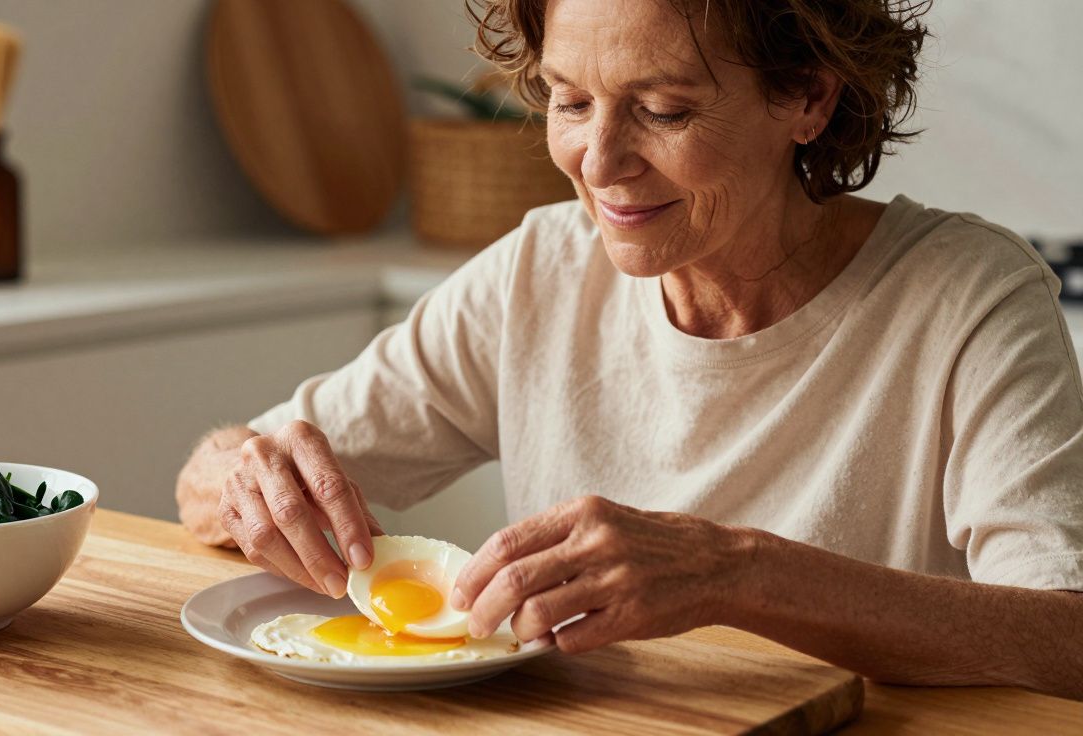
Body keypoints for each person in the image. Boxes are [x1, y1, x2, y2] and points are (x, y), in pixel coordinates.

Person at [176, 0, 1083, 698]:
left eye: (662, 110)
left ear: (809, 95)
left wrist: (737, 572)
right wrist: (246, 476)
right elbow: (212, 481)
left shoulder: (971, 297)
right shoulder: (537, 271)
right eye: (570, 101)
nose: (599, 161)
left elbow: (1066, 639)